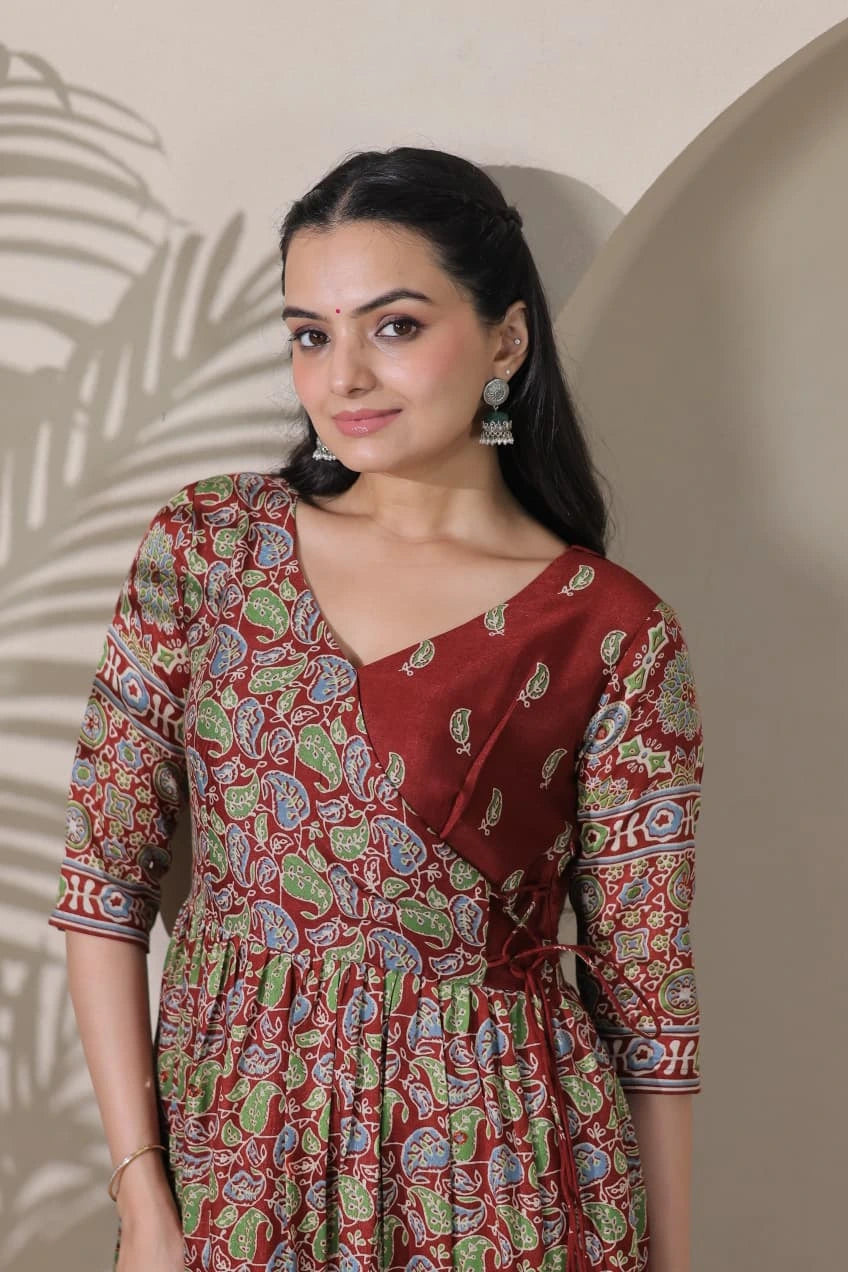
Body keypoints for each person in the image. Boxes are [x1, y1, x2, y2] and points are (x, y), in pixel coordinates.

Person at [49, 146, 705, 1272]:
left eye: (392, 326)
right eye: (311, 333)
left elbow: (648, 1008)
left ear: (505, 338)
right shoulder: (209, 550)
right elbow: (99, 886)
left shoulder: (606, 629)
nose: (342, 375)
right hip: (236, 1164)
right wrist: (142, 1194)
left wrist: (674, 1259)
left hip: (501, 1173)